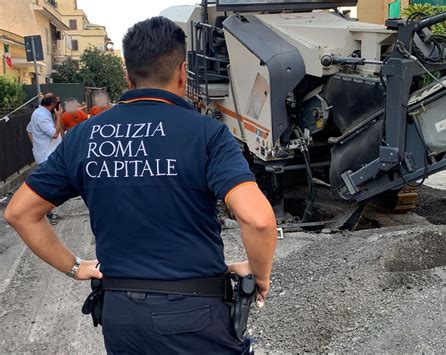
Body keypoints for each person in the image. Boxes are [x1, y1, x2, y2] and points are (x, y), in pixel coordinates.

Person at [5, 16, 277, 354]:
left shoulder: (84, 136)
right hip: (196, 313)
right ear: (182, 71)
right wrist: (258, 273)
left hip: (121, 316)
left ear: (127, 75)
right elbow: (259, 220)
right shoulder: (207, 134)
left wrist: (75, 268)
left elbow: (20, 213)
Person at [26, 93, 63, 164]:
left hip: (48, 156)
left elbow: (29, 130)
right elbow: (55, 134)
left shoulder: (41, 113)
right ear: (52, 103)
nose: (59, 106)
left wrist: (36, 146)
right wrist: (58, 116)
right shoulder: (42, 116)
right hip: (47, 158)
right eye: (58, 103)